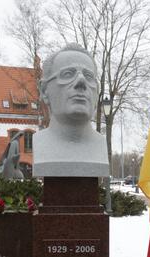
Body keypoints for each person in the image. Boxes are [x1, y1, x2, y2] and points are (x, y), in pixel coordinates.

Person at [32, 43, 109, 177]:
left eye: (89, 76)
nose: (81, 82)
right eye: (67, 74)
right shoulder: (40, 143)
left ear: (96, 94)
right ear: (44, 91)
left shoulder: (101, 144)